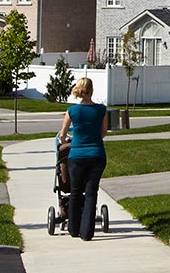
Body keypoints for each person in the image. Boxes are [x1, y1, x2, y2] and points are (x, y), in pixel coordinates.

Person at [56, 77, 108, 240]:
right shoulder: (101, 110)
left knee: (75, 192)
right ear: (92, 90)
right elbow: (103, 133)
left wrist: (66, 142)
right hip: (97, 155)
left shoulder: (71, 111)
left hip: (76, 156)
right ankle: (87, 233)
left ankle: (73, 228)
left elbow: (63, 134)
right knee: (91, 193)